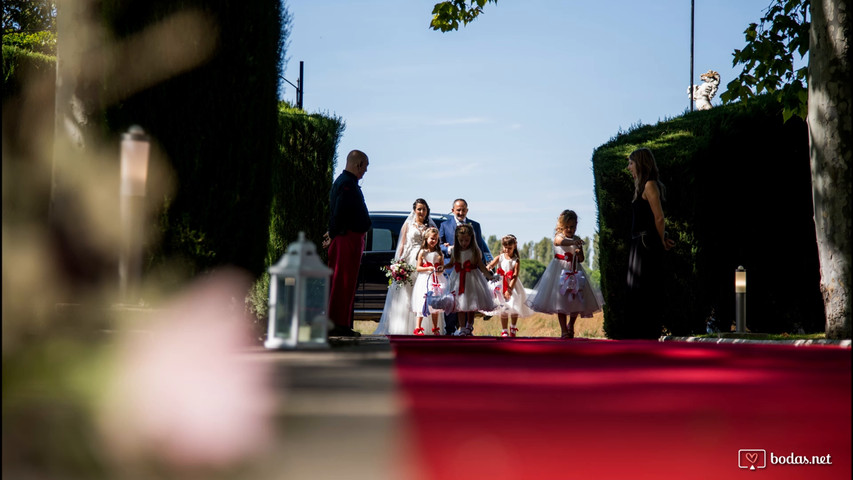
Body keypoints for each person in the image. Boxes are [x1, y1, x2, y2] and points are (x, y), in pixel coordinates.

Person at [527, 210, 602, 339]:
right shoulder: (559, 236)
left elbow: (582, 259)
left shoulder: (577, 239)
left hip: (574, 270)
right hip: (559, 271)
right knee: (560, 301)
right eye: (567, 226)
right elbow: (560, 242)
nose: (569, 229)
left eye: (572, 226)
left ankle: (571, 324)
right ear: (561, 226)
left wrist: (578, 252)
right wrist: (573, 243)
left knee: (578, 298)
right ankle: (563, 330)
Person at [626, 148, 675, 338]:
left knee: (645, 290)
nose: (629, 167)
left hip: (646, 244)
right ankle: (639, 334)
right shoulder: (641, 187)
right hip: (639, 244)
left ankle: (647, 334)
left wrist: (661, 239)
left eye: (631, 163)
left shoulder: (649, 185)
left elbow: (659, 217)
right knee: (638, 290)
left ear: (640, 163)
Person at [323, 150, 371, 337]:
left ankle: (341, 322)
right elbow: (339, 212)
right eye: (364, 168)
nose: (364, 172)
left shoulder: (347, 182)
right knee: (342, 282)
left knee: (347, 282)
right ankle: (337, 323)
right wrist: (333, 234)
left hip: (348, 237)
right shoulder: (346, 185)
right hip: (346, 238)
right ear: (358, 164)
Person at [373, 199, 436, 335]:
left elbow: (434, 244)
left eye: (424, 209)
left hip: (424, 261)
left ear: (427, 211)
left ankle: (423, 327)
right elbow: (402, 244)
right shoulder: (408, 224)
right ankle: (403, 327)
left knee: (423, 293)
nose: (421, 212)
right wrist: (398, 263)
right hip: (409, 261)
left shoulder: (430, 226)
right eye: (419, 209)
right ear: (414, 210)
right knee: (406, 294)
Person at [439, 198, 493, 334]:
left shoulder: (475, 225)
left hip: (470, 271)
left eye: (463, 210)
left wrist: (485, 270)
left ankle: (467, 327)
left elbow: (479, 247)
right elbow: (438, 244)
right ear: (453, 211)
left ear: (467, 210)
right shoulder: (445, 225)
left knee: (469, 301)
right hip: (453, 269)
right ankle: (450, 330)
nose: (461, 212)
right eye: (458, 210)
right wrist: (448, 249)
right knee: (454, 301)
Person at [445, 223, 496, 336]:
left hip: (472, 278)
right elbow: (451, 263)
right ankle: (462, 328)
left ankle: (469, 325)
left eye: (466, 240)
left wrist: (490, 276)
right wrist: (443, 267)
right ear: (457, 239)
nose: (464, 243)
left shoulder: (475, 251)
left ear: (471, 239)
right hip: (458, 278)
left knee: (471, 304)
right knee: (460, 305)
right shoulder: (455, 251)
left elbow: (481, 266)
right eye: (461, 240)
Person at [486, 234, 533, 337]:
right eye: (505, 247)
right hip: (500, 284)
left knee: (514, 306)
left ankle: (513, 326)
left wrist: (510, 289)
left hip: (512, 284)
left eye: (509, 248)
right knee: (503, 308)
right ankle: (504, 330)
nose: (507, 250)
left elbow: (515, 276)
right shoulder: (500, 257)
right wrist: (488, 267)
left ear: (514, 247)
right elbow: (491, 265)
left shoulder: (516, 261)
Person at [410, 227, 446, 335]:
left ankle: (435, 328)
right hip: (425, 280)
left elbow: (442, 267)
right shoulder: (423, 252)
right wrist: (428, 268)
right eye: (432, 238)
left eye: (436, 239)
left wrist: (439, 270)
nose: (434, 241)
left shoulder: (439, 253)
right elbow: (418, 268)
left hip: (436, 280)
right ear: (426, 238)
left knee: (435, 304)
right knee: (422, 302)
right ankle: (418, 327)